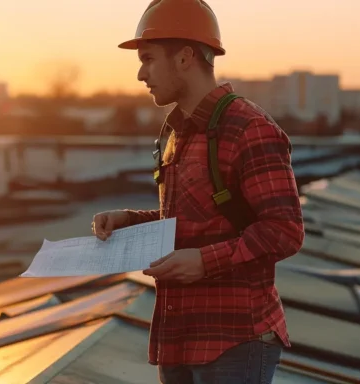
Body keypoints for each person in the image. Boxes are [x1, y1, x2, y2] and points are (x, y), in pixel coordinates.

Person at [90, 1, 304, 383]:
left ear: (185, 57)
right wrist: (129, 221)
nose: (141, 74)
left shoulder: (248, 128)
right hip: (179, 338)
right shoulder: (179, 132)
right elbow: (194, 223)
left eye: (148, 59)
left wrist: (205, 262)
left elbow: (285, 230)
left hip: (235, 342)